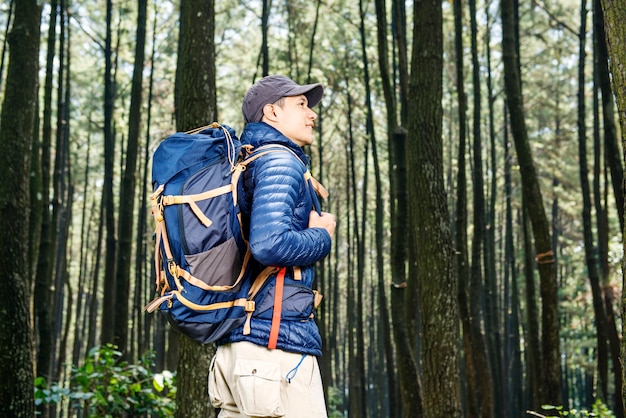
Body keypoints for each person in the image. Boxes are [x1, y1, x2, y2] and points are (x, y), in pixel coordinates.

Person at [208, 75, 336, 418]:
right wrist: (321, 235)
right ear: (272, 113)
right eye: (301, 104)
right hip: (275, 351)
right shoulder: (280, 162)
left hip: (242, 348)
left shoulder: (249, 162)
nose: (312, 114)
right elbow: (269, 244)